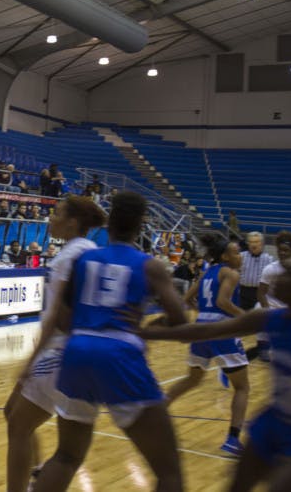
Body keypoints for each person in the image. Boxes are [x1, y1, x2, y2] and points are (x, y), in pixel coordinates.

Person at [32, 192, 187, 492]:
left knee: (66, 455)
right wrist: (147, 329)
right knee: (169, 471)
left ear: (110, 222)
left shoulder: (85, 259)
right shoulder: (149, 265)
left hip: (77, 352)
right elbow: (180, 321)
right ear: (141, 224)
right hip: (119, 354)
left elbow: (61, 318)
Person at [141, 257, 291, 492]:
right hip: (274, 422)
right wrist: (144, 334)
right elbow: (206, 331)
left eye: (290, 275)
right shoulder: (271, 318)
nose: (279, 278)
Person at [4, 195, 106, 492]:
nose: (51, 217)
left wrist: (29, 359)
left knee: (19, 425)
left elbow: (59, 318)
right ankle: (36, 471)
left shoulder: (68, 257)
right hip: (77, 351)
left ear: (72, 222)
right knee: (13, 414)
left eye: (57, 213)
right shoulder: (91, 251)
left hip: (60, 352)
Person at [247, 230, 291, 361]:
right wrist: (267, 311)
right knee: (258, 308)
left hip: (287, 307)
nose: (282, 253)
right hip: (269, 304)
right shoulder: (270, 269)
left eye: (286, 250)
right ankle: (262, 347)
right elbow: (260, 293)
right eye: (280, 250)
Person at [239, 232, 275, 310]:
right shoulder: (241, 256)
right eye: (251, 242)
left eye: (256, 242)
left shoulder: (269, 259)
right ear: (248, 244)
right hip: (242, 292)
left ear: (261, 244)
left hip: (260, 293)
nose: (253, 245)